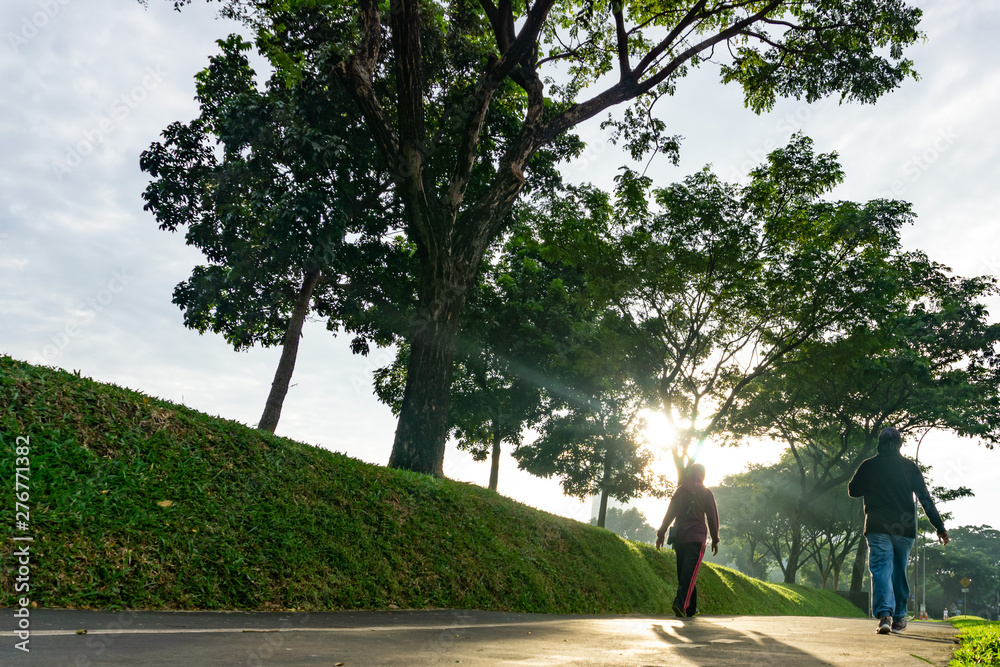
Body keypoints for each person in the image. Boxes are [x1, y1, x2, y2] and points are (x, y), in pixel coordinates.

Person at [848, 427, 949, 635]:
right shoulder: (909, 467)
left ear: (879, 443)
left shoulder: (869, 465)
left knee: (881, 570)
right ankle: (900, 618)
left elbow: (853, 490)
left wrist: (870, 481)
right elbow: (925, 499)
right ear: (900, 444)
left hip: (877, 526)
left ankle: (885, 615)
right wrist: (940, 528)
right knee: (898, 571)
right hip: (904, 529)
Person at [655, 463, 720, 618]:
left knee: (686, 573)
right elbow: (712, 518)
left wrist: (661, 533)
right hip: (696, 539)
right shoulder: (706, 493)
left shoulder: (680, 491)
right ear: (703, 476)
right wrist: (715, 539)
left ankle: (691, 608)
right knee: (688, 574)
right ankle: (680, 604)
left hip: (680, 539)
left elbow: (669, 513)